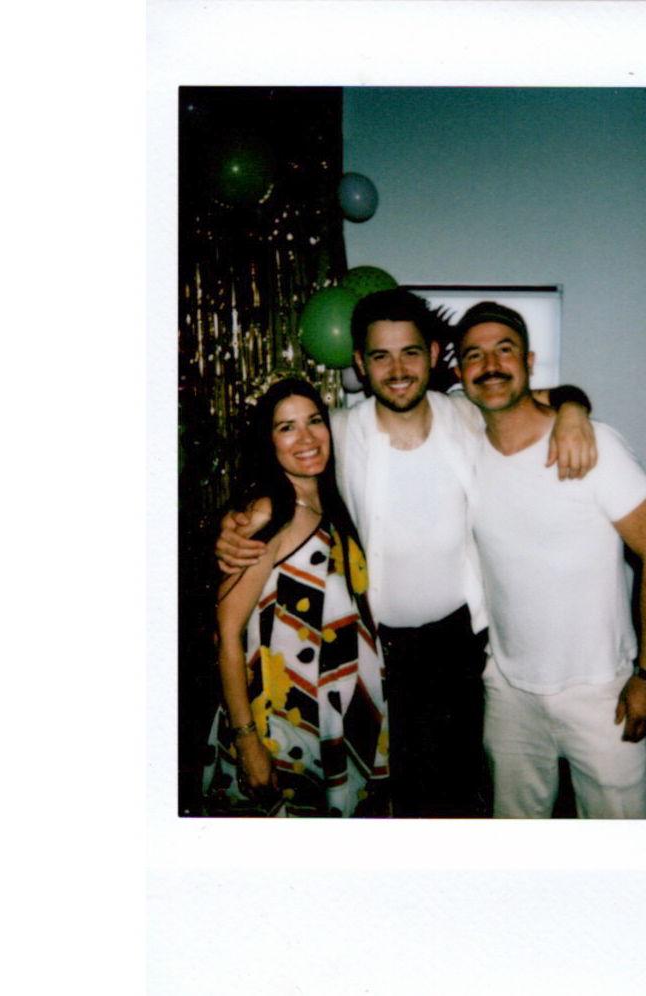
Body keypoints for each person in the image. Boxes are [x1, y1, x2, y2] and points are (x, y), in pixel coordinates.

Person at [215, 288, 597, 817]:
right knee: (393, 795)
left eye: (410, 353)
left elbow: (542, 398)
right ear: (360, 363)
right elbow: (283, 476)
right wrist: (236, 524)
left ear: (434, 355)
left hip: (462, 643)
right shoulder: (338, 432)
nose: (397, 370)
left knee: (463, 788)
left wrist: (575, 408)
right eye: (381, 356)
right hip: (376, 652)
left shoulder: (468, 415)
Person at [454, 301, 646, 819]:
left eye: (504, 350)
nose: (490, 365)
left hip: (602, 690)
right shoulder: (463, 449)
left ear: (529, 362)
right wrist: (571, 400)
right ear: (460, 373)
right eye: (474, 356)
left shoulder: (593, 444)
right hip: (509, 691)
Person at [202, 378, 389, 817]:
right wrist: (246, 741)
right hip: (278, 723)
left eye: (314, 421)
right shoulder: (268, 512)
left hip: (333, 715)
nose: (306, 438)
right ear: (268, 443)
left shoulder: (331, 503)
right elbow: (225, 634)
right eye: (286, 427)